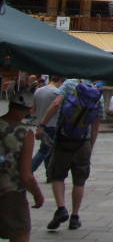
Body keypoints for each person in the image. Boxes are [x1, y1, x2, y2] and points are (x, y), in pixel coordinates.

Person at [38, 78, 103, 231]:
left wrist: (42, 125)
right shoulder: (97, 91)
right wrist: (91, 145)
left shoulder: (68, 84)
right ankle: (75, 217)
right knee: (79, 180)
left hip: (64, 138)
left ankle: (61, 208)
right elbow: (96, 123)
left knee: (57, 175)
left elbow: (56, 104)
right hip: (83, 141)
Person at [0, 90, 45, 242]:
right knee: (20, 234)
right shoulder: (25, 133)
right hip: (11, 193)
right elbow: (26, 175)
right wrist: (37, 195)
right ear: (28, 109)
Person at [32, 76, 63, 173]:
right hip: (52, 125)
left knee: (48, 150)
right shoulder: (57, 93)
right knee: (44, 151)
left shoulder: (38, 90)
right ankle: (29, 170)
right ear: (60, 81)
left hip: (40, 124)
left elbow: (33, 110)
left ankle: (49, 174)